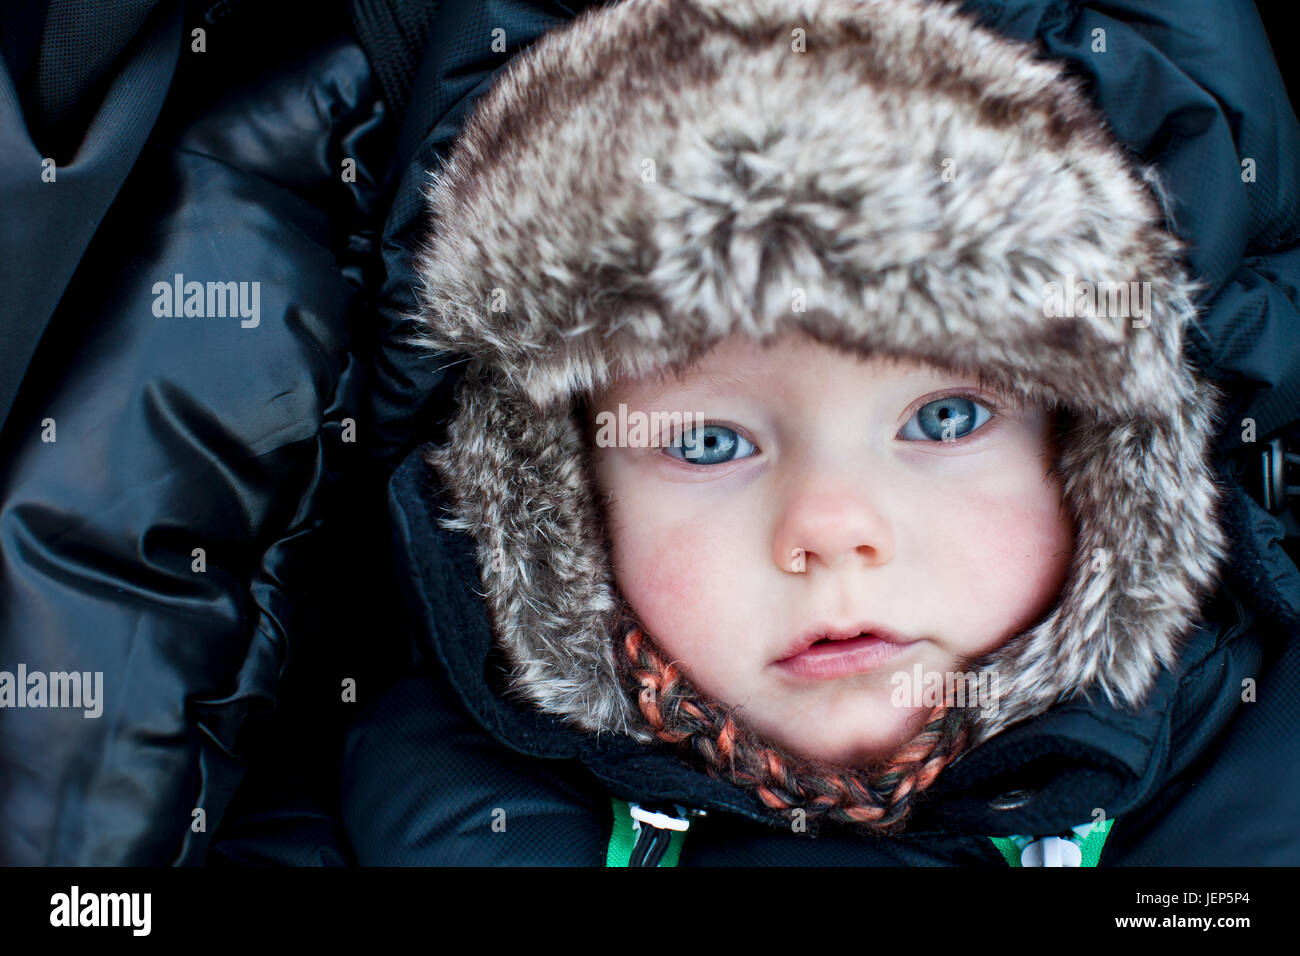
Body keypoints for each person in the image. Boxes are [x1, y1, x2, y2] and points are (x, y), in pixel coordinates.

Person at [341, 0, 1300, 864]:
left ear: (1109, 458)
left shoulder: (1255, 777)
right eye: (709, 443)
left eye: (947, 418)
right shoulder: (429, 810)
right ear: (563, 503)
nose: (833, 529)